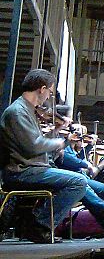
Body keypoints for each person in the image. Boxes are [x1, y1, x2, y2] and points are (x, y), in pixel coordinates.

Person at [0, 69, 87, 243]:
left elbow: (37, 142)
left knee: (79, 180)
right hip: (22, 172)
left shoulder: (27, 110)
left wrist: (57, 130)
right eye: (49, 92)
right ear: (42, 89)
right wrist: (60, 142)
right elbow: (34, 146)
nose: (48, 97)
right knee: (78, 182)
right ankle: (38, 225)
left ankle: (35, 222)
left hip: (32, 168)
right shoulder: (18, 112)